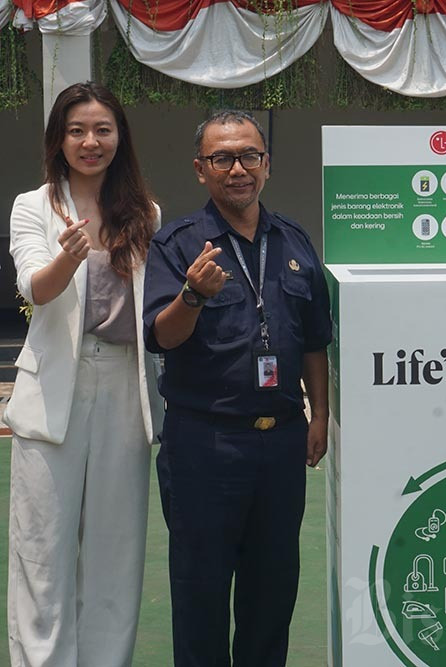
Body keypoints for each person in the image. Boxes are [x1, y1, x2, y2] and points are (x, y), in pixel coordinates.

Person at [143, 110, 332, 666]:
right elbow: (162, 337)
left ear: (267, 165)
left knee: (272, 591)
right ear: (200, 169)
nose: (238, 169)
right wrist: (192, 295)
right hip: (204, 445)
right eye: (222, 158)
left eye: (249, 156)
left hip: (281, 443)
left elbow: (315, 339)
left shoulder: (294, 240)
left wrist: (320, 415)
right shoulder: (178, 245)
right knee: (200, 594)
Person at [5, 82, 161, 666]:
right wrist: (68, 257)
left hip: (125, 384)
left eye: (102, 130)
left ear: (120, 138)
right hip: (53, 389)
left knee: (115, 550)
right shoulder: (32, 206)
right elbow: (34, 289)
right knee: (42, 550)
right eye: (77, 131)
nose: (90, 141)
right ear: (58, 140)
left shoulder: (145, 213)